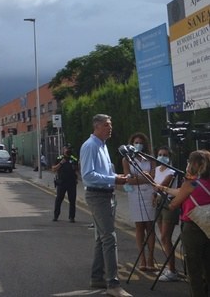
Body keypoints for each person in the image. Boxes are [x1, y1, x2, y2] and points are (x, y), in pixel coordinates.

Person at [80, 114, 132, 297]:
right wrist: (114, 179)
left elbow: (103, 171)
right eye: (106, 125)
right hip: (97, 196)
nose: (110, 128)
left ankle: (97, 277)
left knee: (102, 238)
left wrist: (116, 177)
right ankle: (113, 283)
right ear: (97, 127)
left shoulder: (102, 145)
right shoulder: (90, 146)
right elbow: (88, 175)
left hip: (106, 194)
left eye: (110, 125)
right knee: (109, 238)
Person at [156, 150, 210, 297]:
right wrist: (165, 188)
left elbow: (174, 204)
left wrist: (164, 198)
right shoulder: (201, 183)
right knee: (207, 266)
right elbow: (182, 192)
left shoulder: (190, 183)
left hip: (193, 229)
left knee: (194, 269)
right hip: (207, 227)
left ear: (195, 165)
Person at [122, 132, 156, 272]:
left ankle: (151, 258)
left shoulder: (150, 159)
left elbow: (153, 176)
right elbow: (128, 179)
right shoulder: (126, 159)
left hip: (149, 193)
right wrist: (144, 178)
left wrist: (138, 178)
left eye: (141, 143)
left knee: (150, 226)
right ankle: (142, 258)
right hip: (135, 195)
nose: (138, 145)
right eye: (136, 142)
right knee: (139, 226)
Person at [152, 145, 180, 282]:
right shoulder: (157, 169)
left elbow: (161, 186)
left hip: (169, 203)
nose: (162, 157)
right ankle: (170, 267)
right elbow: (154, 186)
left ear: (169, 157)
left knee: (165, 237)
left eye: (165, 155)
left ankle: (172, 270)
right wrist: (153, 196)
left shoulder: (171, 172)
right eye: (160, 154)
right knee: (163, 237)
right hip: (159, 203)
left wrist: (154, 187)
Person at [52, 144, 79, 223]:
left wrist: (76, 170)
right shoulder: (59, 158)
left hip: (71, 183)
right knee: (59, 200)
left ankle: (72, 217)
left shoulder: (74, 159)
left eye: (70, 149)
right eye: (67, 149)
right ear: (63, 150)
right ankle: (56, 216)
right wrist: (60, 163)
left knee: (72, 200)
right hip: (62, 182)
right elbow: (53, 169)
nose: (68, 150)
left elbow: (77, 170)